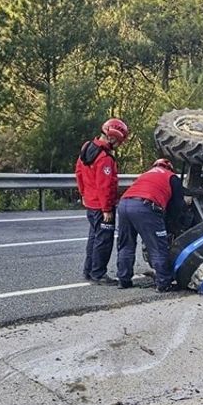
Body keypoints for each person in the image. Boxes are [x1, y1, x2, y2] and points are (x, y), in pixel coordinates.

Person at [116, 157, 186, 291]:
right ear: (169, 167)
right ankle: (163, 283)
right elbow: (177, 205)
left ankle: (123, 280)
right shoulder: (171, 177)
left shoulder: (145, 175)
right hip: (145, 206)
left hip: (124, 204)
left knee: (126, 244)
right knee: (158, 246)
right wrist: (173, 223)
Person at [75, 118, 130, 285]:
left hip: (90, 203)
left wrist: (84, 193)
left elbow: (78, 173)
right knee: (104, 240)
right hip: (102, 206)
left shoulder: (87, 148)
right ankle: (99, 273)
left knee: (93, 238)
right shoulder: (105, 158)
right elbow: (105, 185)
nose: (119, 145)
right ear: (112, 137)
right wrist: (107, 209)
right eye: (119, 141)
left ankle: (89, 271)